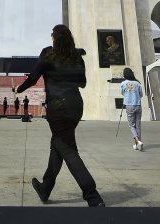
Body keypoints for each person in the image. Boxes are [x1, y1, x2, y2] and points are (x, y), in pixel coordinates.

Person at [15, 24, 104, 207]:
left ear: (54, 37)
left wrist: (19, 88)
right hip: (76, 105)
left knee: (68, 149)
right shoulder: (76, 57)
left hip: (58, 107)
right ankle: (45, 188)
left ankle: (92, 195)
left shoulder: (48, 53)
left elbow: (33, 77)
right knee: (58, 144)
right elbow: (83, 83)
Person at [120, 67, 144, 151]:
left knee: (131, 125)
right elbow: (141, 95)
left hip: (129, 105)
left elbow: (122, 93)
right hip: (138, 105)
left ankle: (137, 141)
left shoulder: (123, 83)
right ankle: (137, 143)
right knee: (138, 125)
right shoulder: (138, 83)